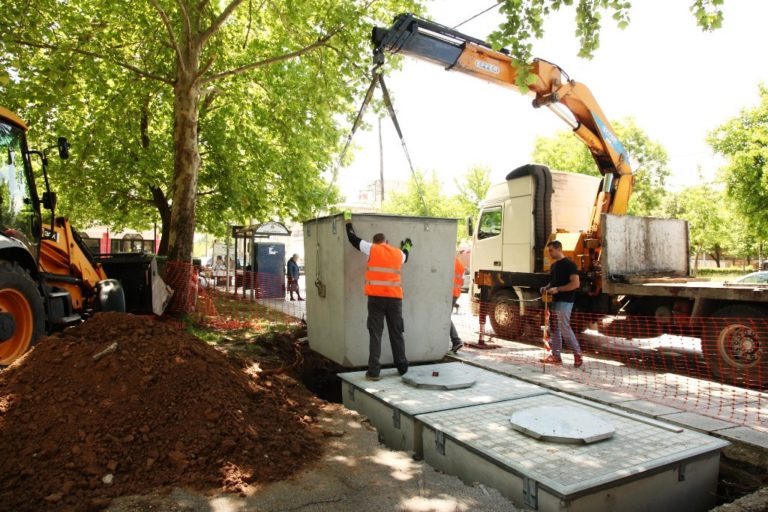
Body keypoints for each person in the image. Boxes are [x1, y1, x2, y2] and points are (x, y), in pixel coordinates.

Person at [344, 211, 411, 381]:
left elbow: (353, 239)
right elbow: (406, 255)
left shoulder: (371, 248)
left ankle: (374, 371)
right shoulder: (398, 253)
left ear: (375, 242)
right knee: (396, 332)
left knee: (376, 334)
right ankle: (402, 368)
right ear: (387, 242)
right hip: (395, 300)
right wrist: (407, 245)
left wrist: (348, 223)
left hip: (376, 300)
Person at [539, 240, 583, 367]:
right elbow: (553, 283)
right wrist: (545, 288)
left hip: (566, 301)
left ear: (559, 249)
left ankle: (578, 354)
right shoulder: (554, 266)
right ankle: (556, 356)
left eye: (551, 250)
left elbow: (575, 284)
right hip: (555, 301)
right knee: (555, 329)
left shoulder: (570, 264)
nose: (549, 253)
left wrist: (558, 289)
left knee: (564, 328)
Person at [449, 255, 464, 353]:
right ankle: (455, 341)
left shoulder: (450, 261)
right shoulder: (460, 262)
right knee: (445, 317)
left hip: (449, 293)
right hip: (456, 293)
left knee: (444, 317)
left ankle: (456, 340)